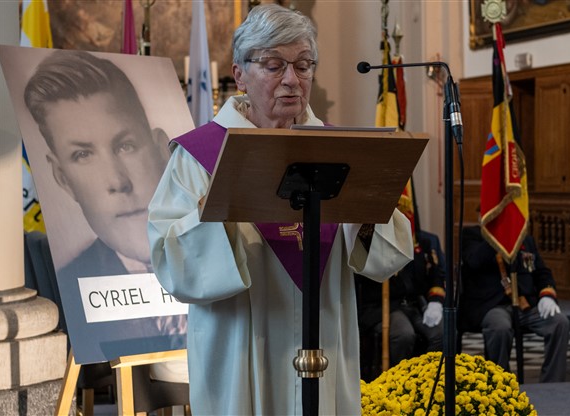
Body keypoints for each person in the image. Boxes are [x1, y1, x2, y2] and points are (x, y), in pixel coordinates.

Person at [147, 4, 413, 415]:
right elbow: (171, 260)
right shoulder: (199, 156)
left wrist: (364, 208)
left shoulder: (340, 151)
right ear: (239, 75)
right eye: (274, 66)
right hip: (239, 348)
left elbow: (386, 257)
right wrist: (220, 209)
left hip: (325, 338)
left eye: (303, 66)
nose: (292, 79)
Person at [23, 49, 187, 381]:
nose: (117, 181)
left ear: (162, 148)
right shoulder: (75, 283)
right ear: (62, 178)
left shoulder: (217, 262)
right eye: (83, 155)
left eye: (126, 146)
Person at [460, 225, 570, 382]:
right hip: (492, 305)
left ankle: (553, 382)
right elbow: (474, 261)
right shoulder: (472, 235)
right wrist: (497, 237)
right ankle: (500, 382)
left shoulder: (525, 239)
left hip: (525, 305)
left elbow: (541, 272)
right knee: (500, 327)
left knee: (559, 322)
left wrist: (547, 295)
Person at [355, 230, 445, 371]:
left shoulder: (421, 241)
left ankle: (428, 375)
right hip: (384, 306)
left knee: (441, 333)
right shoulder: (373, 239)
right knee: (403, 334)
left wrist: (435, 301)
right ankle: (399, 378)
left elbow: (434, 275)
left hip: (414, 304)